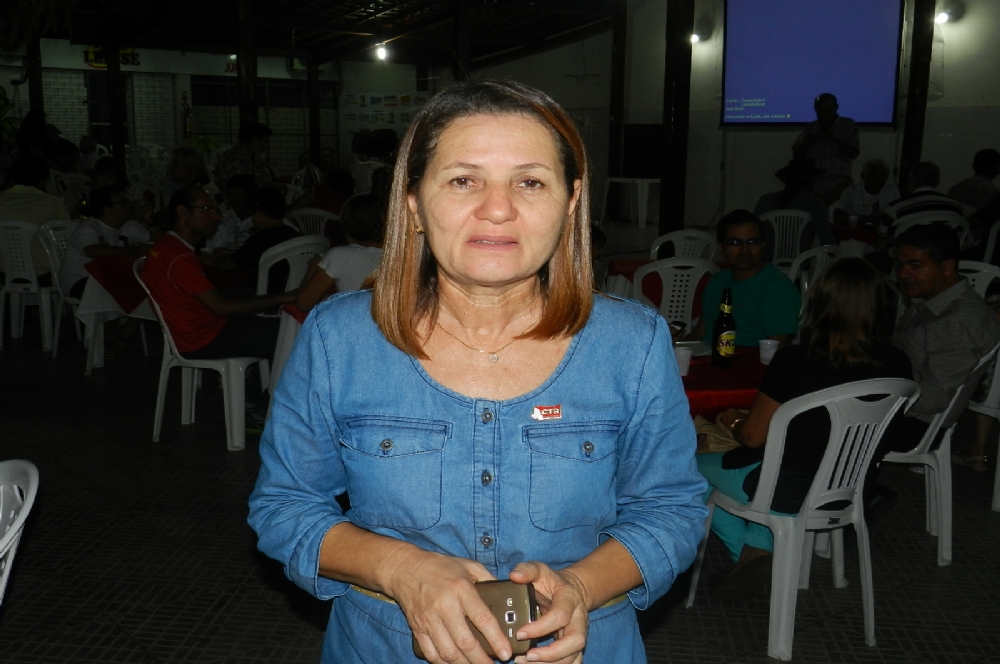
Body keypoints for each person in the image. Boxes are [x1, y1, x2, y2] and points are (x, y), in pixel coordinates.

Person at [248, 78, 708, 664]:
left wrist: (580, 586)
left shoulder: (632, 342)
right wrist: (401, 569)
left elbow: (672, 509)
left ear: (570, 202)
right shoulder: (339, 338)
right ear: (414, 202)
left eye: (530, 182)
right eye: (463, 180)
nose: (497, 208)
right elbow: (284, 506)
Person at [696, 258, 912, 599]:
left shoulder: (795, 361)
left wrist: (733, 420)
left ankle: (749, 556)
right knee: (776, 462)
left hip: (785, 489)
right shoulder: (898, 363)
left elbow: (752, 437)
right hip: (851, 485)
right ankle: (756, 555)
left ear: (819, 304)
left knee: (686, 467)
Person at [690, 210, 801, 349]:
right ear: (721, 248)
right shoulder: (717, 281)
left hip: (750, 361)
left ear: (763, 246)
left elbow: (776, 352)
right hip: (706, 357)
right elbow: (700, 332)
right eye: (735, 242)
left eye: (753, 242)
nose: (745, 249)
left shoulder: (779, 289)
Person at [204, 185, 301, 295]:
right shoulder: (294, 234)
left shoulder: (260, 240)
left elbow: (225, 265)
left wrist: (208, 259)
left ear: (259, 213)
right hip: (293, 289)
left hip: (265, 294)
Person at [295, 193, 384, 312]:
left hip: (352, 321)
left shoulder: (339, 256)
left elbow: (303, 303)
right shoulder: (401, 255)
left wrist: (313, 266)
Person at [60, 184, 151, 299]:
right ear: (107, 208)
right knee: (127, 289)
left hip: (108, 277)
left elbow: (156, 243)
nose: (129, 206)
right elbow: (90, 250)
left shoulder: (129, 225)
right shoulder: (89, 227)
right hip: (80, 281)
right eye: (123, 203)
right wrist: (133, 251)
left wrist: (150, 221)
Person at [0, 154, 69, 280]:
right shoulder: (53, 203)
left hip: (4, 272)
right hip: (44, 272)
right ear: (43, 180)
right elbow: (64, 238)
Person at [754, 157, 836, 252]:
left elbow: (753, 231)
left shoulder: (765, 200)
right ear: (811, 182)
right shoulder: (814, 204)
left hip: (766, 259)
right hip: (801, 260)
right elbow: (827, 241)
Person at [791, 93, 860, 205]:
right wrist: (806, 142)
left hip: (837, 182)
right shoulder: (810, 128)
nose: (823, 115)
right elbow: (796, 155)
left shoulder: (848, 125)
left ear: (836, 108)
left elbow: (853, 153)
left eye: (827, 111)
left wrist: (834, 139)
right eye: (819, 112)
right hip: (810, 184)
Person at [832, 158, 900, 226]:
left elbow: (898, 215)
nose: (878, 179)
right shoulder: (851, 192)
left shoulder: (891, 189)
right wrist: (873, 219)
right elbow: (838, 217)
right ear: (863, 177)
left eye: (882, 175)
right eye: (873, 175)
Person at [206, 174, 257, 253]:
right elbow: (213, 250)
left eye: (239, 195)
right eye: (229, 195)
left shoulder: (262, 220)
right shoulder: (224, 219)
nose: (233, 200)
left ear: (251, 196)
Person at [214, 121, 273, 188]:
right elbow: (266, 184)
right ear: (254, 139)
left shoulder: (226, 155)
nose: (265, 145)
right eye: (265, 141)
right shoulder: (255, 156)